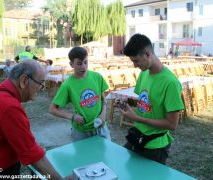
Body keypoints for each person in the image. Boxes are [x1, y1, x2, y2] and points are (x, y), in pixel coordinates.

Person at [121, 34, 184, 164]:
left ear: (147, 54)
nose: (134, 65)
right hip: (137, 137)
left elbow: (172, 124)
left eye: (136, 61)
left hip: (155, 147)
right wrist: (127, 104)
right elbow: (145, 103)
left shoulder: (170, 83)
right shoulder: (144, 73)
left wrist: (136, 118)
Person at [0, 61, 62, 179]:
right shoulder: (9, 106)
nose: (41, 89)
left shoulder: (2, 94)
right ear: (24, 80)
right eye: (41, 83)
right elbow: (33, 156)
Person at [49, 47, 110, 141]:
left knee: (106, 154)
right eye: (79, 63)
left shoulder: (97, 77)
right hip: (81, 132)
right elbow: (52, 109)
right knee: (83, 156)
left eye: (86, 62)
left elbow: (103, 100)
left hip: (101, 128)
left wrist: (103, 115)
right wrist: (72, 117)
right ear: (71, 64)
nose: (83, 67)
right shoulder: (67, 85)